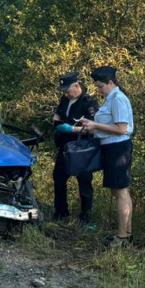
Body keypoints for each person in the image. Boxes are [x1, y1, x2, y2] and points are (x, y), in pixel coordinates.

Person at [77, 65, 135, 248]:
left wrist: (95, 125)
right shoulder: (111, 99)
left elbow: (121, 129)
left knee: (120, 191)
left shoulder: (118, 99)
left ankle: (122, 236)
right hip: (111, 148)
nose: (99, 91)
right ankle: (126, 234)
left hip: (119, 149)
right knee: (119, 191)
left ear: (111, 82)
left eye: (101, 87)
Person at [51, 72, 99, 223]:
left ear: (77, 85)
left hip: (81, 146)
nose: (65, 93)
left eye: (67, 90)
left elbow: (93, 128)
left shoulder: (89, 103)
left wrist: (72, 129)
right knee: (58, 177)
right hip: (65, 146)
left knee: (84, 182)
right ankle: (61, 212)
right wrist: (57, 121)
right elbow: (58, 114)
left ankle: (85, 217)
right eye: (63, 91)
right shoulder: (65, 99)